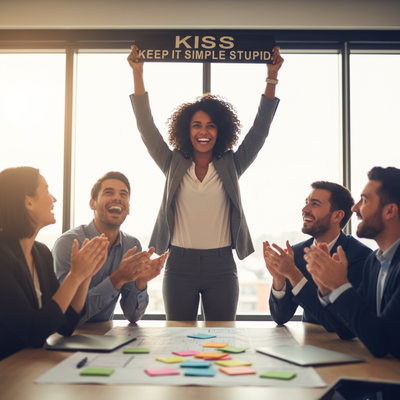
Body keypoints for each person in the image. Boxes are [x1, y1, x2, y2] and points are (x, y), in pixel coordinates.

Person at [127, 45, 284, 321]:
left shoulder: (231, 165)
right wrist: (138, 73)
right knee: (178, 338)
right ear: (186, 131)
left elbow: (259, 132)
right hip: (179, 266)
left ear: (219, 131)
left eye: (211, 125)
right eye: (197, 125)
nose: (203, 131)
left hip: (222, 266)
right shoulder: (172, 163)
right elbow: (146, 128)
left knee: (222, 339)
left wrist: (271, 78)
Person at [0, 167, 108, 360]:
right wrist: (74, 276)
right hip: (8, 371)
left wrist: (85, 275)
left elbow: (65, 325)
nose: (54, 199)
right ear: (28, 202)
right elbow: (34, 333)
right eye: (47, 191)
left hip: (30, 365)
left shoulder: (41, 253)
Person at [305, 167, 400, 359]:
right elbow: (347, 330)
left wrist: (340, 285)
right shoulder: (374, 262)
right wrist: (326, 288)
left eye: (364, 200)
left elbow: (382, 342)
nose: (355, 209)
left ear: (390, 211)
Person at [53, 171, 167, 325]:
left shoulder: (131, 245)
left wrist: (141, 282)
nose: (117, 198)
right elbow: (67, 316)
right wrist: (117, 278)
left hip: (105, 336)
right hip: (68, 336)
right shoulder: (68, 244)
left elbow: (132, 316)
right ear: (92, 203)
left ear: (128, 208)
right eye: (109, 192)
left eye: (123, 194)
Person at [264, 181, 372, 331]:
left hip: (346, 346)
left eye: (314, 204)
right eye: (306, 202)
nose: (304, 209)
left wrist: (295, 275)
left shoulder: (361, 257)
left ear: (337, 216)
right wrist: (278, 279)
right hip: (309, 344)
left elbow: (341, 325)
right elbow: (281, 317)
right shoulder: (297, 252)